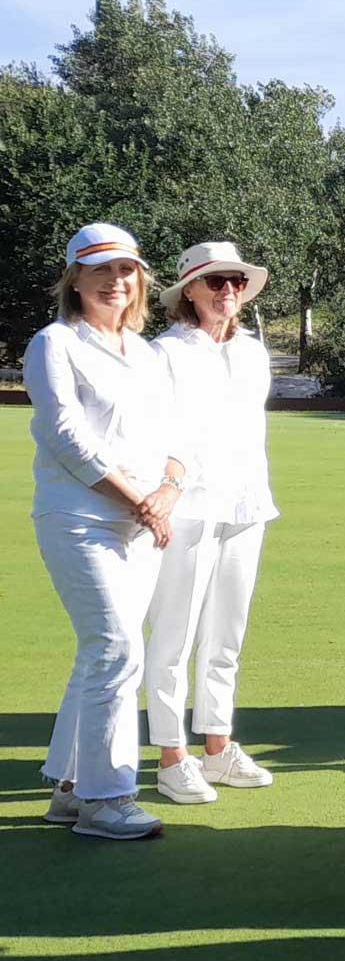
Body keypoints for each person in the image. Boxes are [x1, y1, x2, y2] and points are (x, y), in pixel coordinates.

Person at [27, 223, 190, 841]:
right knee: (117, 647)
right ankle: (106, 797)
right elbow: (67, 439)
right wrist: (140, 501)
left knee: (104, 650)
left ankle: (70, 786)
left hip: (143, 522)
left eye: (126, 270)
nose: (115, 281)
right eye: (101, 270)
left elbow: (176, 438)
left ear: (140, 279)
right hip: (79, 518)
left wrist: (167, 491)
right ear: (76, 279)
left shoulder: (146, 353)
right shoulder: (53, 344)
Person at [144, 242, 281, 804]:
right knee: (174, 635)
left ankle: (218, 747)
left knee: (227, 632)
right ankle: (171, 755)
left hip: (247, 505)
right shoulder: (165, 353)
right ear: (190, 292)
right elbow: (156, 433)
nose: (228, 291)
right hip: (190, 507)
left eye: (236, 282)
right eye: (215, 282)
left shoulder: (253, 351)